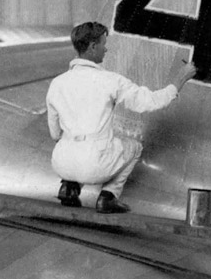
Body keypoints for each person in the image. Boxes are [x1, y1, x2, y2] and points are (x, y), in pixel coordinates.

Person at [46, 22, 195, 213]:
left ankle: (69, 188)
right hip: (94, 165)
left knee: (74, 144)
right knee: (135, 147)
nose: (106, 49)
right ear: (92, 47)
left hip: (61, 163)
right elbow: (149, 102)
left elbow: (54, 134)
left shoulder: (57, 83)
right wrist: (180, 79)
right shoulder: (111, 81)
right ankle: (108, 197)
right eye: (103, 44)